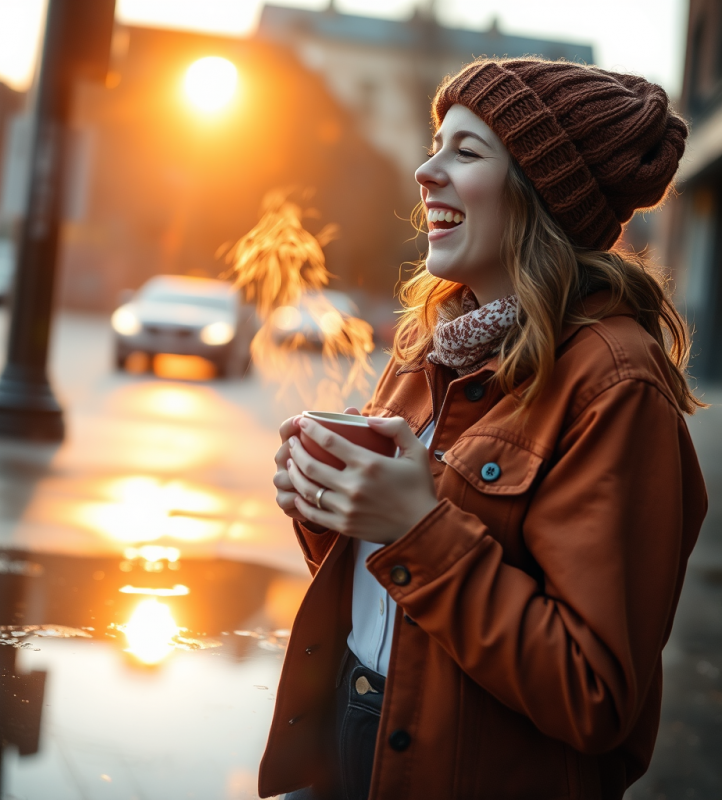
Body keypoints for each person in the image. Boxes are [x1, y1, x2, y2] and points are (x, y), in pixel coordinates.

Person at [260, 58, 708, 800]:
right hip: (355, 734)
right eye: (436, 144)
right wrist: (328, 505)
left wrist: (416, 528)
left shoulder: (615, 384)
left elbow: (592, 693)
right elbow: (399, 595)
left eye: (465, 152)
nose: (425, 171)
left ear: (541, 195)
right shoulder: (433, 343)